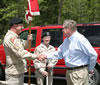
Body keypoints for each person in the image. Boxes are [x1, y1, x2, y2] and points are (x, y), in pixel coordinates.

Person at [40, 20, 98, 85]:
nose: (62, 30)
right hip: (69, 72)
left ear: (69, 29)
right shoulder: (66, 40)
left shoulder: (80, 39)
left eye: (63, 28)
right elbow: (59, 53)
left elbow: (93, 54)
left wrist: (89, 69)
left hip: (79, 72)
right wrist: (46, 55)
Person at [3, 17, 41, 85]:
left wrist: (28, 41)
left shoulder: (16, 37)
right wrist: (36, 56)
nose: (22, 27)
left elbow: (24, 46)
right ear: (15, 25)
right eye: (21, 25)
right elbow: (21, 53)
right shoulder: (11, 38)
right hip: (13, 73)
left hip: (18, 70)